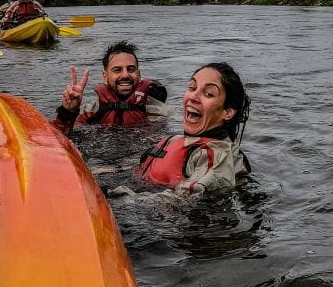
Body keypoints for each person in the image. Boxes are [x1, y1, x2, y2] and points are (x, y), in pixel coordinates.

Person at [137, 62, 251, 196]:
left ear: (227, 112)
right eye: (192, 88)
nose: (193, 97)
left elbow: (184, 198)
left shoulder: (219, 155)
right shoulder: (174, 139)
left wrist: (122, 197)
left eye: (208, 94)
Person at [53, 40, 167, 133]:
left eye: (131, 69)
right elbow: (61, 136)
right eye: (117, 70)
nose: (125, 75)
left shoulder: (158, 111)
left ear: (139, 74)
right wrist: (68, 112)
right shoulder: (91, 110)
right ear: (105, 76)